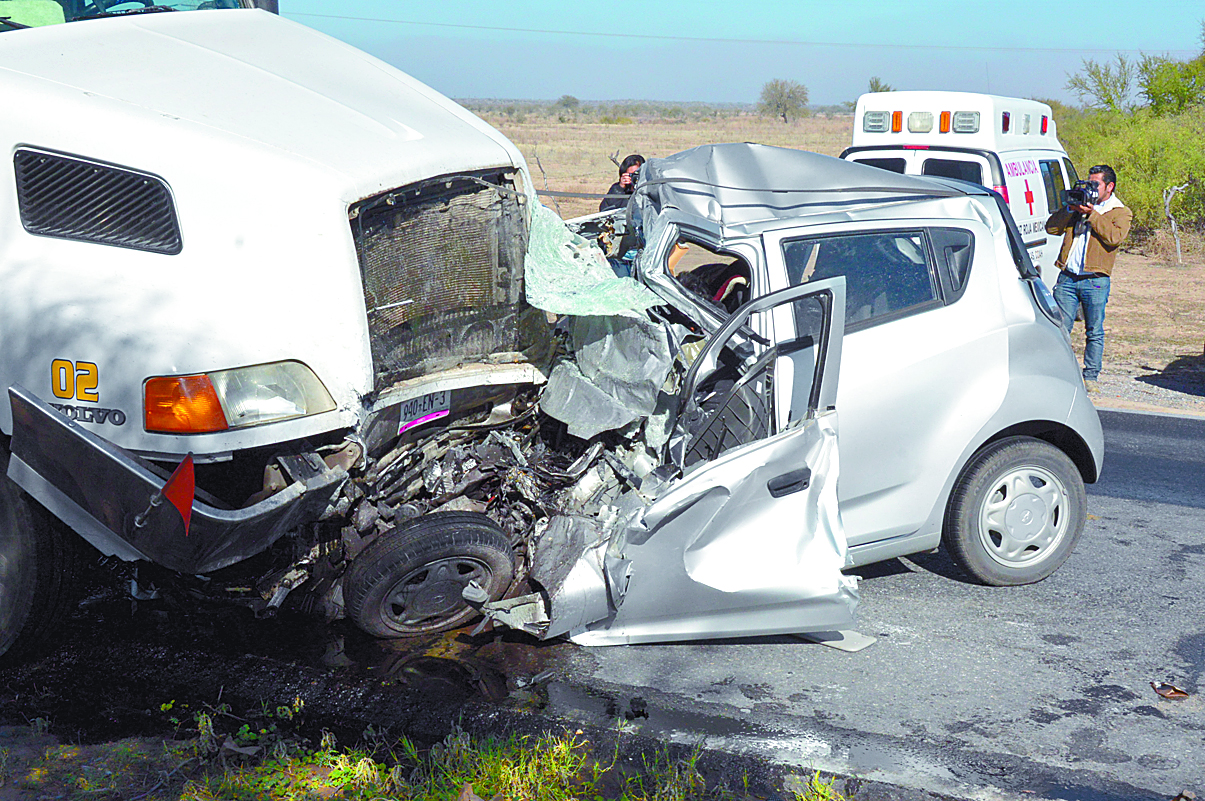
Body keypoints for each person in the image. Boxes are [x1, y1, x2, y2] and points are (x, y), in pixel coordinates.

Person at [1044, 164, 1132, 391]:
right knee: (1059, 328)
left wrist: (1091, 214)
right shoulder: (1079, 205)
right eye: (1088, 183)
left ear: (1109, 187)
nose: (1090, 188)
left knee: (1094, 330)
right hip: (1068, 277)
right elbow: (1051, 228)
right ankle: (1059, 372)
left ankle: (1090, 376)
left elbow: (1114, 237)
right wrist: (1071, 209)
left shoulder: (1120, 211)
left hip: (1095, 279)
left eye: (1095, 184)